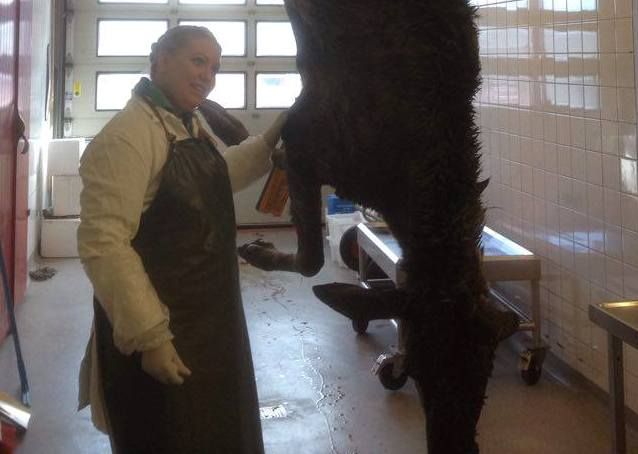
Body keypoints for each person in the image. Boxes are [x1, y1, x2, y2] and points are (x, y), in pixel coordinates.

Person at [77, 25, 286, 453]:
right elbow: (104, 244)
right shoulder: (127, 137)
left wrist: (268, 142)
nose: (207, 76)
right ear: (160, 59)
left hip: (210, 321)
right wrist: (150, 337)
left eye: (215, 68)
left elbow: (215, 178)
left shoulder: (187, 123)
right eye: (198, 61)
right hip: (163, 329)